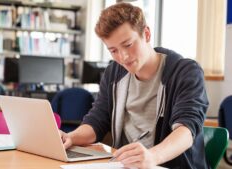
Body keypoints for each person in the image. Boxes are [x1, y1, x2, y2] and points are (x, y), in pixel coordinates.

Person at [60, 2, 209, 169]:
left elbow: (186, 130)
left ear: (146, 34)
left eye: (128, 44)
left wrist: (152, 156)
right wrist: (70, 138)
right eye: (113, 50)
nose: (123, 57)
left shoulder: (185, 72)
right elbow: (97, 120)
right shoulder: (113, 73)